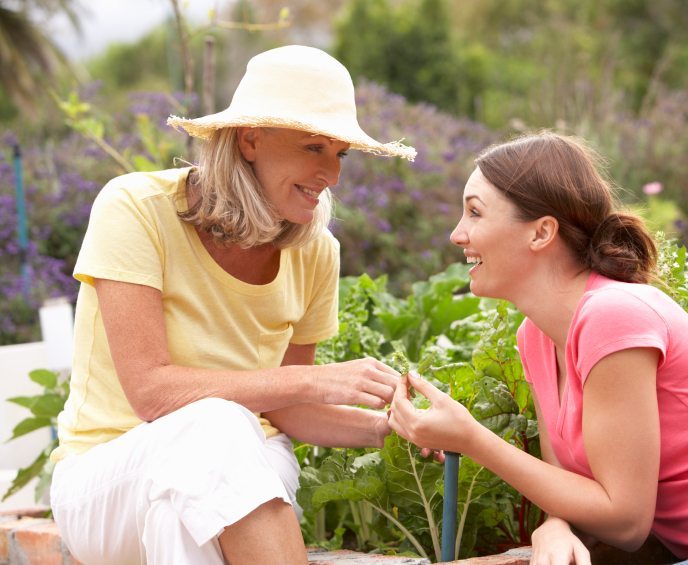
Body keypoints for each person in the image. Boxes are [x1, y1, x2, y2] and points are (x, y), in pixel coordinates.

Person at [388, 132, 688, 564]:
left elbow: (626, 522)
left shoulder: (614, 314)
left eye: (474, 212)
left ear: (541, 232)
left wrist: (470, 438)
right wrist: (556, 524)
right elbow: (578, 485)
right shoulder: (536, 337)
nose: (456, 234)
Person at [49, 45, 417, 565]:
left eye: (341, 154)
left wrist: (390, 427)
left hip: (248, 467)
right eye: (314, 147)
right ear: (249, 140)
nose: (332, 175)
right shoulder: (134, 209)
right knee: (216, 426)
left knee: (181, 516)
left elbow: (288, 412)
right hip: (109, 476)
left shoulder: (316, 251)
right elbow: (152, 394)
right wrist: (314, 379)